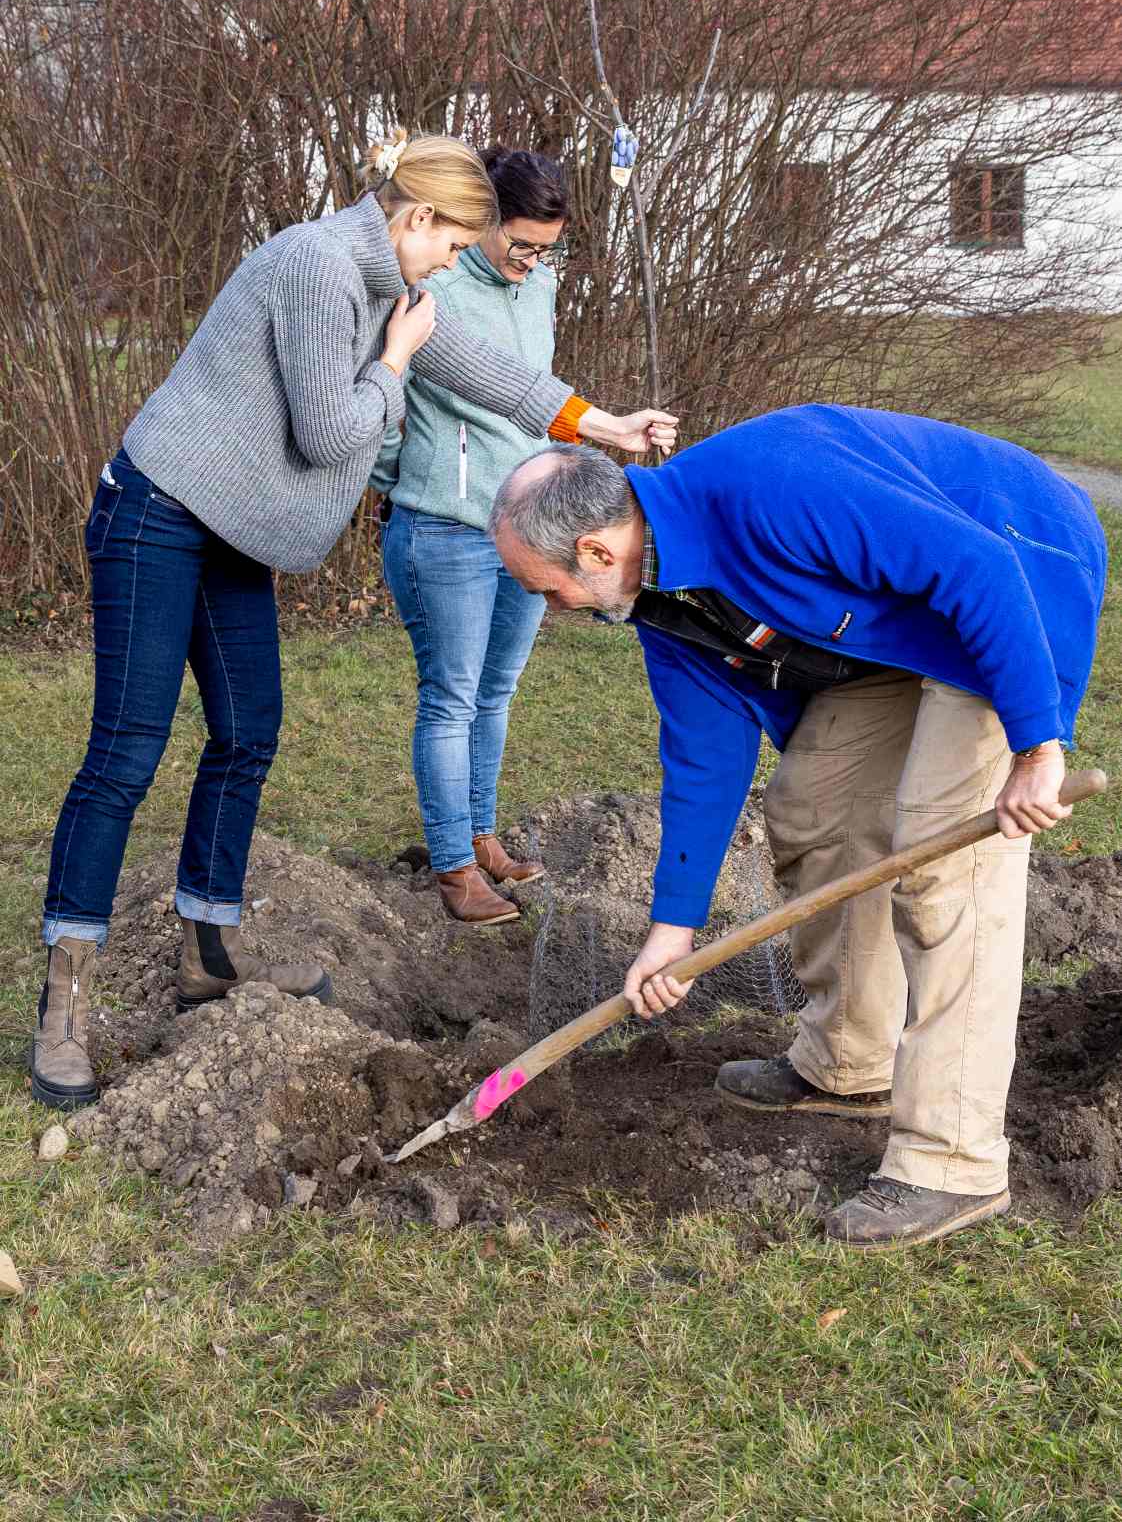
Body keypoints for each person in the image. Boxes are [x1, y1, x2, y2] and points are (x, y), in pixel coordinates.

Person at [32, 133, 677, 1109]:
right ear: (416, 218)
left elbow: (485, 368)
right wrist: (394, 363)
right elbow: (329, 429)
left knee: (247, 733)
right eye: (455, 245)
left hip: (233, 530)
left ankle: (208, 952)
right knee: (127, 747)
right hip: (158, 513)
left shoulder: (389, 281)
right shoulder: (317, 265)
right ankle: (64, 1004)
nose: (459, 264)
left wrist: (603, 422)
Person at [487, 409, 1107, 1249]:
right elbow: (703, 765)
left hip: (1015, 570)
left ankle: (953, 1161)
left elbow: (977, 566)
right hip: (902, 634)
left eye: (543, 588)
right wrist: (672, 933)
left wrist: (1037, 746)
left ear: (595, 552)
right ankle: (850, 1063)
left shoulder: (772, 487)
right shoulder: (664, 608)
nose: (550, 606)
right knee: (813, 808)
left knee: (946, 869)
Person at [373, 147, 573, 926]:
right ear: (482, 221)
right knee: (451, 698)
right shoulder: (435, 281)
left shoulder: (543, 284)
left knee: (497, 690)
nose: (531, 261)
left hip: (524, 531)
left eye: (547, 248)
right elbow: (390, 391)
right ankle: (453, 866)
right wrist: (403, 479)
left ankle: (482, 836)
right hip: (444, 529)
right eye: (520, 243)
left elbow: (533, 396)